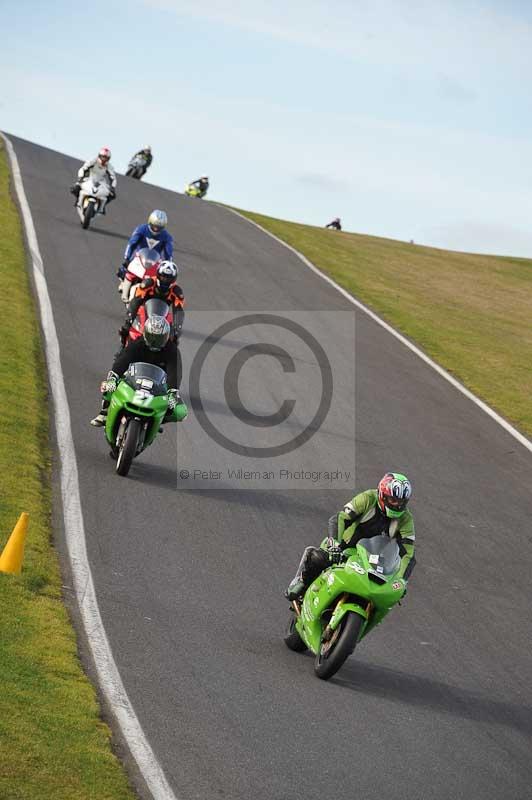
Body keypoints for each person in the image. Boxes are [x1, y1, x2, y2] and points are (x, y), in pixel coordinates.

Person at [285, 473, 416, 600]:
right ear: (383, 495)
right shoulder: (368, 498)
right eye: (393, 500)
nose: (397, 505)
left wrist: (401, 580)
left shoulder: (406, 519)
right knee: (319, 558)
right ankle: (303, 581)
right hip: (344, 548)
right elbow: (340, 518)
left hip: (374, 562)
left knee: (387, 595)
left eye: (401, 502)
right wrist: (334, 544)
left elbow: (408, 553)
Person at [90, 316, 184, 427]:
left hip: (159, 384)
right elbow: (123, 359)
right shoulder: (138, 344)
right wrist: (113, 377)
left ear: (166, 337)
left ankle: (158, 420)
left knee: (181, 412)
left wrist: (172, 391)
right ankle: (105, 411)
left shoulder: (172, 350)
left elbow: (175, 371)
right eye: (152, 337)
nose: (155, 342)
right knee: (108, 386)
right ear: (145, 334)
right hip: (134, 376)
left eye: (159, 338)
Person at [120, 260, 185, 344]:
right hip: (145, 311)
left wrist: (177, 330)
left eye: (168, 279)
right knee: (126, 330)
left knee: (173, 341)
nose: (165, 280)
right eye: (163, 277)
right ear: (158, 275)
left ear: (173, 280)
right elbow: (136, 302)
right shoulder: (147, 283)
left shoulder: (177, 292)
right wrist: (128, 321)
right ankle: (123, 349)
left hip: (163, 316)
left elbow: (178, 311)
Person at [118, 210, 173, 278]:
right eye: (154, 226)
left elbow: (168, 254)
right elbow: (132, 243)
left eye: (159, 227)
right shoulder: (141, 229)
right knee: (123, 274)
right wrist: (127, 259)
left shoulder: (167, 237)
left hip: (155, 264)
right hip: (138, 259)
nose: (156, 229)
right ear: (150, 222)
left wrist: (167, 267)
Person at [70, 147, 117, 214]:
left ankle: (103, 207)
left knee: (112, 195)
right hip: (89, 177)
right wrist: (80, 178)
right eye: (103, 157)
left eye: (106, 158)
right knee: (75, 188)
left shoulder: (109, 166)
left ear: (108, 159)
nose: (104, 159)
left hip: (101, 181)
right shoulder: (93, 160)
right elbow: (83, 169)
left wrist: (113, 187)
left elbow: (113, 177)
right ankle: (78, 200)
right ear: (99, 156)